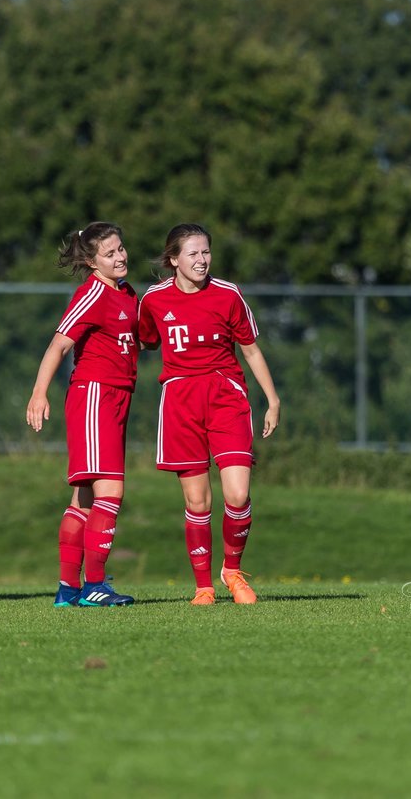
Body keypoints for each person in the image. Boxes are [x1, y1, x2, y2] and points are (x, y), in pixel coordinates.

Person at [137, 224, 281, 605]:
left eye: (206, 253)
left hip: (225, 399)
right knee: (198, 501)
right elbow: (145, 339)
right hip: (181, 402)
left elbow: (250, 350)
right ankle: (204, 586)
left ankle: (232, 571)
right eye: (193, 254)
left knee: (238, 493)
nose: (202, 261)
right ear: (174, 260)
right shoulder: (152, 300)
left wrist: (273, 398)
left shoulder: (228, 295)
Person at [26, 222, 139, 608]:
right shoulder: (91, 293)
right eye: (110, 254)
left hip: (118, 398)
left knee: (84, 500)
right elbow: (58, 345)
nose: (120, 257)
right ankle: (94, 585)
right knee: (111, 490)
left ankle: (68, 591)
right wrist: (39, 393)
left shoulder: (127, 293)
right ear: (92, 262)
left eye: (121, 249)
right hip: (94, 396)